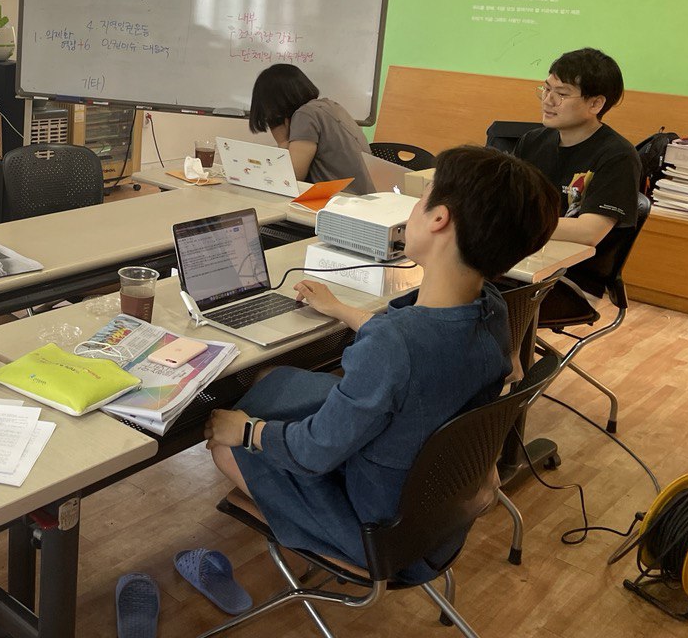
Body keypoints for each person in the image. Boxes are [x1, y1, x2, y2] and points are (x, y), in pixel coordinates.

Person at [202, 145, 559, 578]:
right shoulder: (492, 308)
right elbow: (416, 341)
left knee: (227, 442)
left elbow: (314, 451)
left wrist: (248, 432)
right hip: (436, 516)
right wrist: (342, 311)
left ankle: (305, 527)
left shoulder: (395, 345)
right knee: (274, 380)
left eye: (422, 198)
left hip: (378, 533)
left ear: (439, 218)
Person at [512, 48, 641, 322]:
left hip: (570, 281)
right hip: (521, 261)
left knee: (479, 301)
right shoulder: (533, 141)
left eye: (561, 94)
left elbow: (588, 231)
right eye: (546, 89)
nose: (548, 100)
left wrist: (516, 226)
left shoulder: (617, 156)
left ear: (595, 104)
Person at [248, 63, 373, 194]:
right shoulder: (328, 106)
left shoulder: (305, 115)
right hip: (361, 198)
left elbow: (292, 179)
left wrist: (283, 142)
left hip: (343, 200)